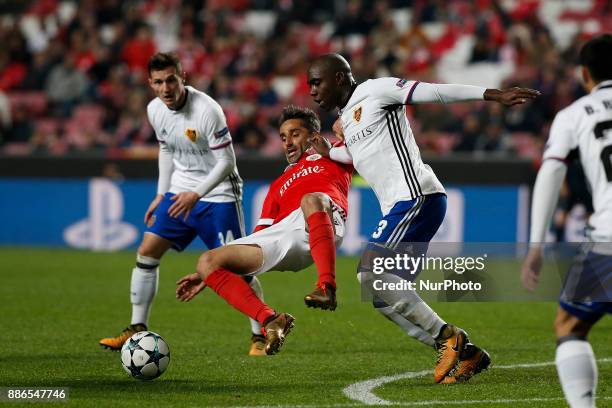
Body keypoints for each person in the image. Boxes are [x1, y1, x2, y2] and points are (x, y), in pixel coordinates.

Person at [307, 53, 539, 383]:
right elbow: (357, 154)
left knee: (370, 274)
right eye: (309, 85)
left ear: (340, 78)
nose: (313, 91)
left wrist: (493, 95)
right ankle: (468, 352)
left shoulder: (377, 90)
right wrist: (330, 151)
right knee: (383, 296)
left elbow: (436, 92)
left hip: (417, 197)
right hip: (405, 205)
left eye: (317, 82)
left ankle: (448, 337)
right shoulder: (349, 118)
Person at [99, 52, 266, 355]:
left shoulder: (207, 110)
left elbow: (227, 162)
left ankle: (260, 335)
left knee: (238, 270)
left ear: (183, 77)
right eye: (159, 82)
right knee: (147, 251)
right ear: (150, 84)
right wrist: (162, 194)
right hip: (179, 192)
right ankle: (137, 327)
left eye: (171, 80)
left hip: (218, 195)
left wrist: (197, 193)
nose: (166, 88)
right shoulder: (155, 110)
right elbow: (166, 149)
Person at [174, 105, 353, 354]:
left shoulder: (334, 155)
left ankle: (326, 287)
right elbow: (260, 234)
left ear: (313, 136)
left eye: (295, 134)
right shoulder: (277, 185)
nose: (287, 142)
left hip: (322, 218)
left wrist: (339, 128)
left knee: (311, 199)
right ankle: (271, 320)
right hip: (283, 234)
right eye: (283, 137)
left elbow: (357, 137)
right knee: (207, 261)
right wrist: (213, 272)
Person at [521, 34, 612, 408]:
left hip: (608, 239)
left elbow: (550, 173)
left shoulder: (574, 114)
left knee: (570, 325)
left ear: (584, 73)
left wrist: (536, 246)